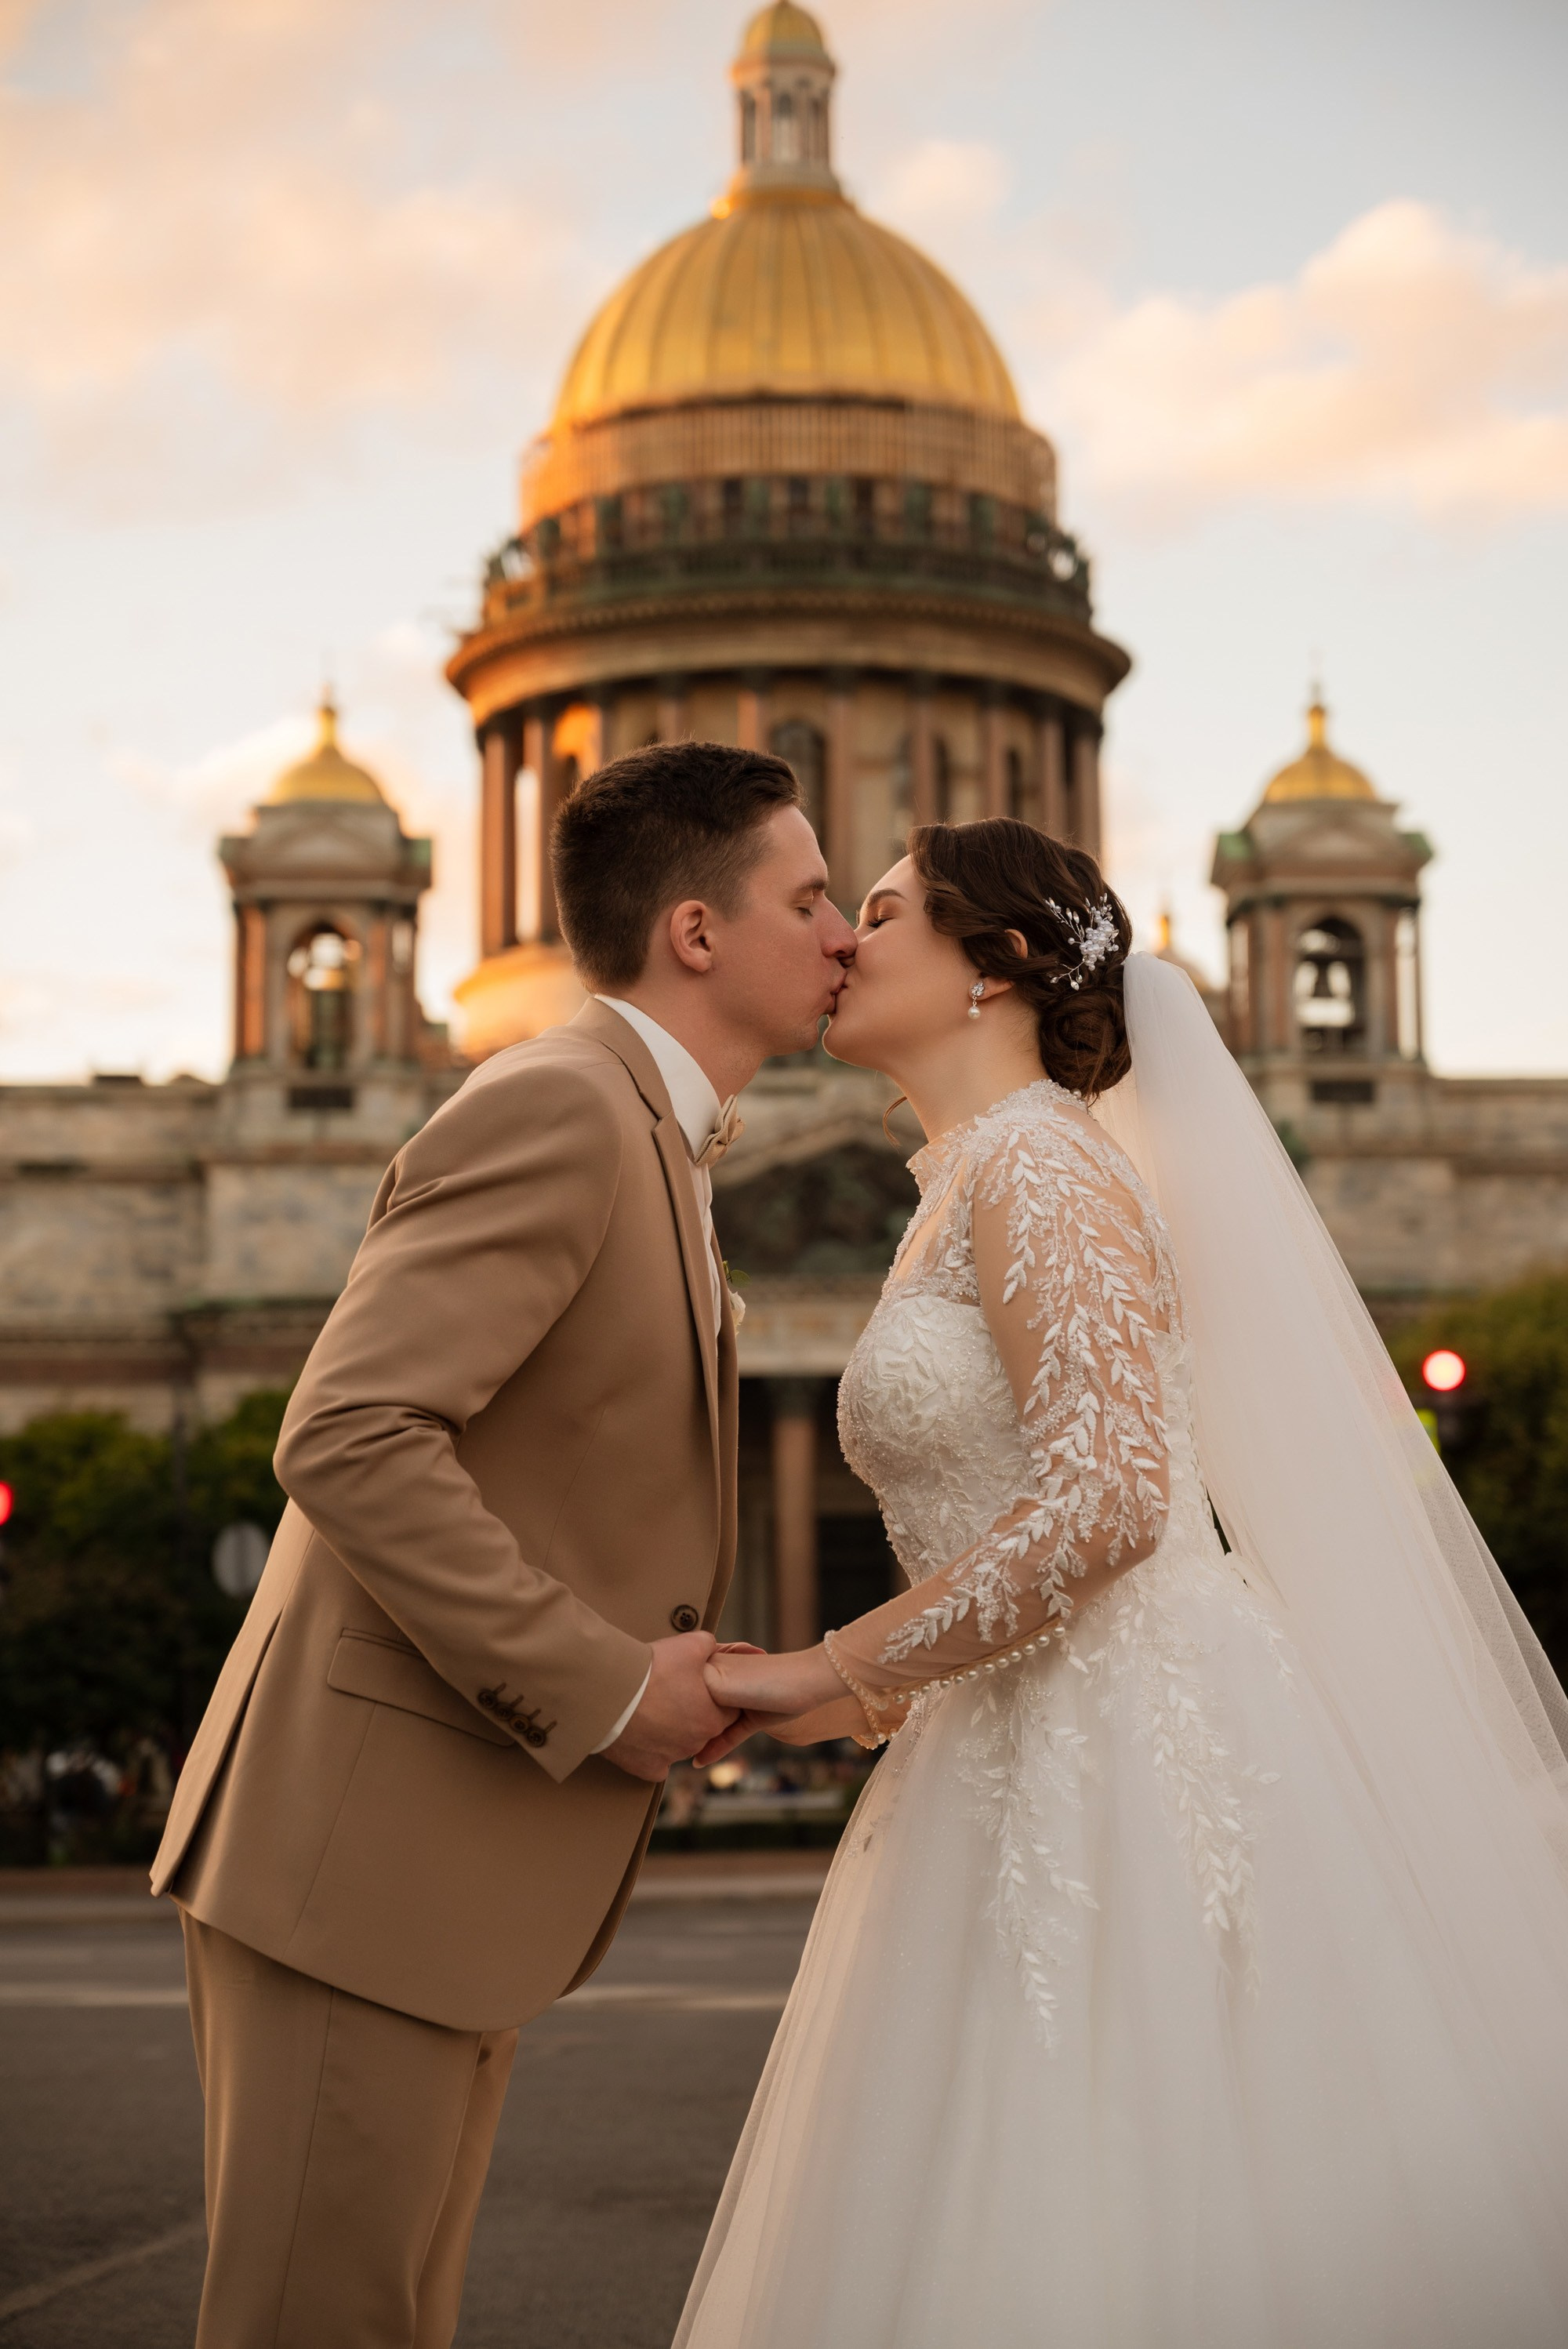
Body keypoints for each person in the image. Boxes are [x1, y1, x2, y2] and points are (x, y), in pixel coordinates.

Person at [679, 817, 1568, 2349]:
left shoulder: (1037, 1165)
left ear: (996, 967)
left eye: (875, 913)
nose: (837, 939)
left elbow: (1105, 1502)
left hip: (1128, 1763)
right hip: (1019, 1747)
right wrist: (883, 1692)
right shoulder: (969, 1176)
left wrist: (818, 1672)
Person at [151, 740, 855, 2349]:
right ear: (694, 930)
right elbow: (345, 1435)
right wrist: (609, 1688)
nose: (840, 935)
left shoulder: (655, 1138)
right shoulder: (555, 1104)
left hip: (420, 1872)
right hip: (358, 1863)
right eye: (808, 895)